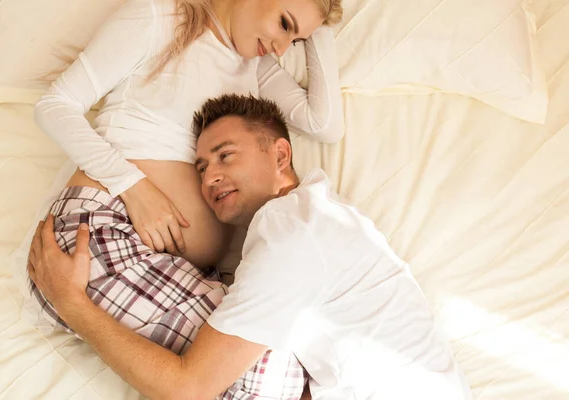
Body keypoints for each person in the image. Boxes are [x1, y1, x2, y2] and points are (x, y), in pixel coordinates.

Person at [28, 94, 474, 400]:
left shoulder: (293, 232)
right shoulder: (314, 217)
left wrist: (72, 303)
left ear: (280, 156)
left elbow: (190, 388)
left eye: (225, 156)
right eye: (201, 167)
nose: (208, 178)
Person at [27, 0, 343, 397]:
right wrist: (133, 186)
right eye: (284, 24)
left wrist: (322, 26)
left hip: (177, 268)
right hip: (104, 233)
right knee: (276, 379)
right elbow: (55, 106)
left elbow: (324, 124)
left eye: (294, 40)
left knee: (309, 363)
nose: (281, 47)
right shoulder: (161, 17)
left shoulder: (258, 67)